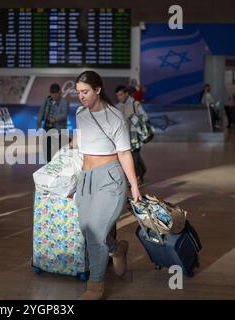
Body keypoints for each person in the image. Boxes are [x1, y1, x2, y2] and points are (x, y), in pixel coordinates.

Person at [73, 71, 141, 300]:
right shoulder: (80, 113)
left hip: (109, 178)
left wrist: (134, 186)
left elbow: (124, 152)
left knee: (95, 234)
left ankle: (95, 285)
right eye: (78, 93)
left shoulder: (115, 117)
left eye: (85, 92)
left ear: (98, 90)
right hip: (85, 178)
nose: (81, 97)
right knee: (85, 228)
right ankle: (116, 248)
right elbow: (80, 141)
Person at [115, 85, 148, 184]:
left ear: (126, 94)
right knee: (130, 157)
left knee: (134, 157)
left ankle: (134, 179)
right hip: (123, 138)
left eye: (121, 95)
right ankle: (141, 171)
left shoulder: (135, 104)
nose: (119, 97)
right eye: (117, 95)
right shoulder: (118, 107)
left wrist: (134, 118)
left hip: (135, 136)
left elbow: (145, 117)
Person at [36, 83, 70, 162]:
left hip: (58, 129)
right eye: (52, 93)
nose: (54, 95)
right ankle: (48, 164)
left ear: (60, 93)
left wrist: (54, 119)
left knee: (57, 148)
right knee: (46, 147)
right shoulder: (47, 100)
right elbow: (42, 111)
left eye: (55, 93)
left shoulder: (64, 101)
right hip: (47, 127)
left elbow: (64, 115)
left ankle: (57, 165)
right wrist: (38, 121)